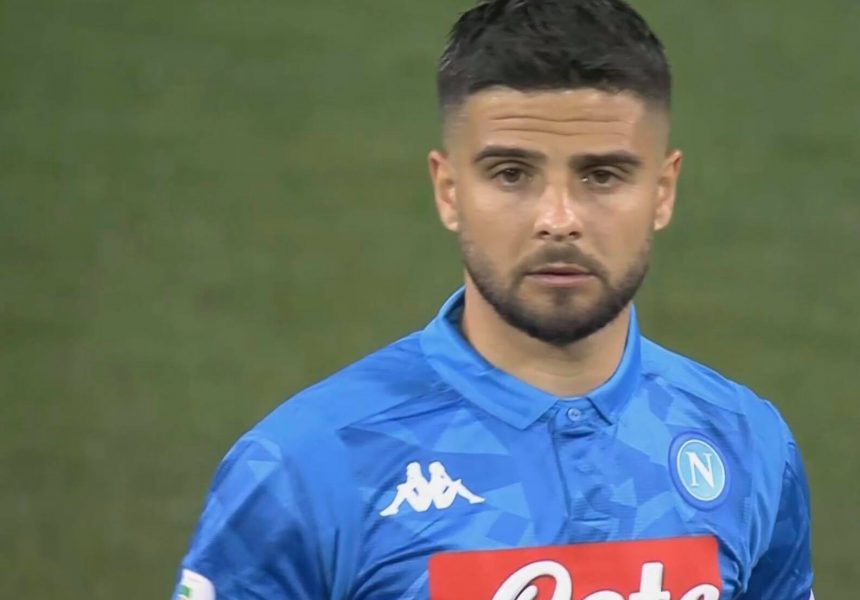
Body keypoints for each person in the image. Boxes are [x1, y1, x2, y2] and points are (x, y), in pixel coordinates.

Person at [173, 0, 815, 598]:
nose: (558, 219)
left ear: (663, 192)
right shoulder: (305, 467)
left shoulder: (749, 443)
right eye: (511, 174)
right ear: (449, 190)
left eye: (602, 175)